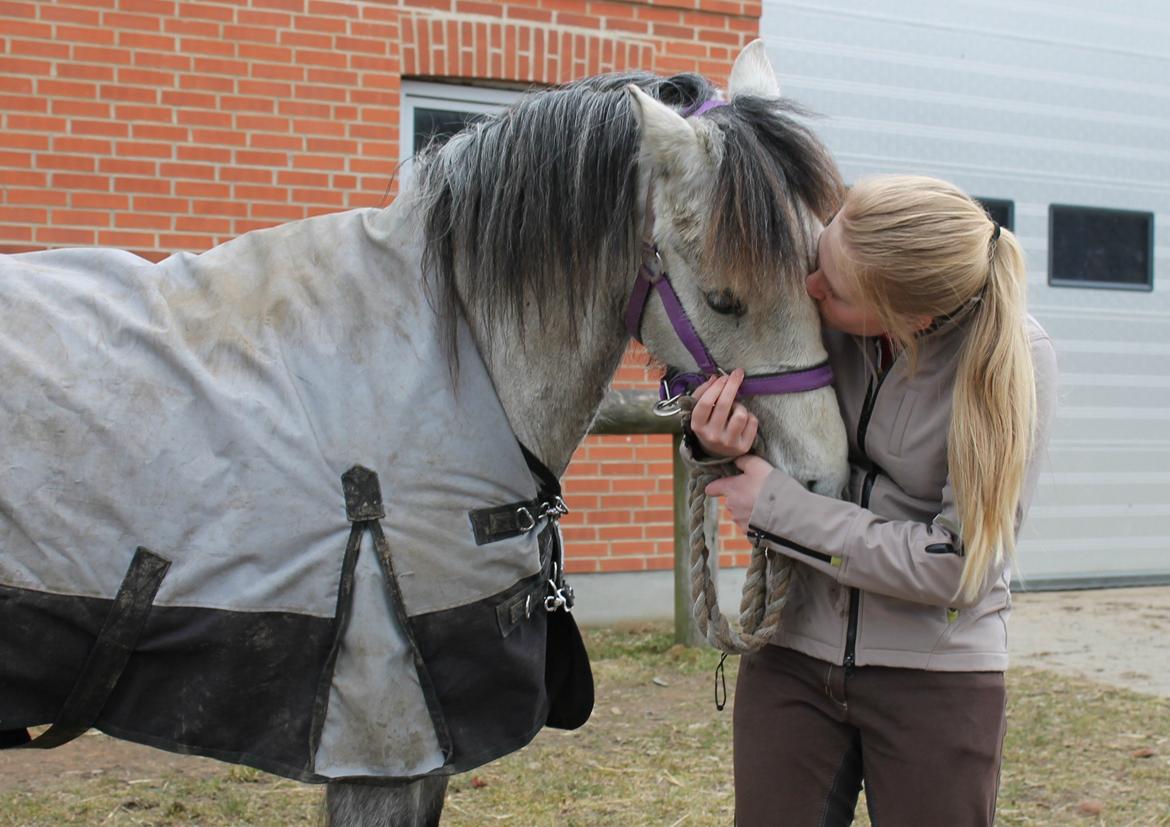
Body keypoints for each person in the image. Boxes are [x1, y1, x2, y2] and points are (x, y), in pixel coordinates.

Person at [687, 175, 1057, 826]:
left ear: (909, 319)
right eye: (819, 257)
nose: (809, 287)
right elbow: (721, 396)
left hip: (936, 673)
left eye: (836, 289)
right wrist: (711, 436)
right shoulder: (820, 293)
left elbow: (956, 565)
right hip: (791, 650)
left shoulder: (1011, 358)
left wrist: (779, 509)